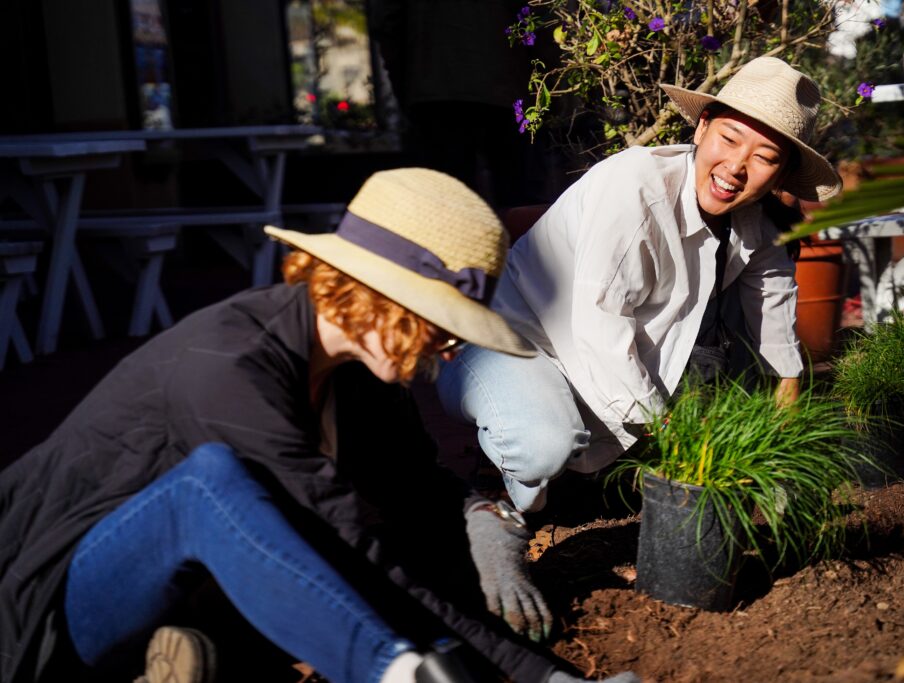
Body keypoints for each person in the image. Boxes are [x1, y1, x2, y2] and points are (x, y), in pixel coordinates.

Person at [0, 168, 639, 683]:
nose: (450, 348)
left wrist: (538, 664)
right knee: (214, 483)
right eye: (441, 320)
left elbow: (416, 514)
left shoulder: (356, 370)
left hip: (196, 594)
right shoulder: (229, 368)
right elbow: (360, 554)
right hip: (52, 615)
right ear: (375, 293)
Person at [437, 56, 844, 513]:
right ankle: (498, 479)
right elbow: (600, 325)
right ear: (702, 127)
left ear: (782, 175)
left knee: (718, 368)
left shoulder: (754, 220)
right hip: (513, 340)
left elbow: (774, 310)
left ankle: (582, 461)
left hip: (595, 355)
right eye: (729, 139)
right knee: (543, 446)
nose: (737, 166)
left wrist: (785, 428)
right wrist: (676, 441)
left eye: (765, 158)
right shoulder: (635, 189)